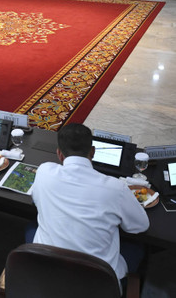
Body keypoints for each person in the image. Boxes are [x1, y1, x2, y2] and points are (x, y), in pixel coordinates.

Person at [31, 123, 149, 291]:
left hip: (46, 273)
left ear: (59, 153)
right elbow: (140, 226)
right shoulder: (116, 188)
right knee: (138, 249)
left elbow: (35, 199)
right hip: (99, 284)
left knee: (31, 228)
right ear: (93, 152)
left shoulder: (44, 171)